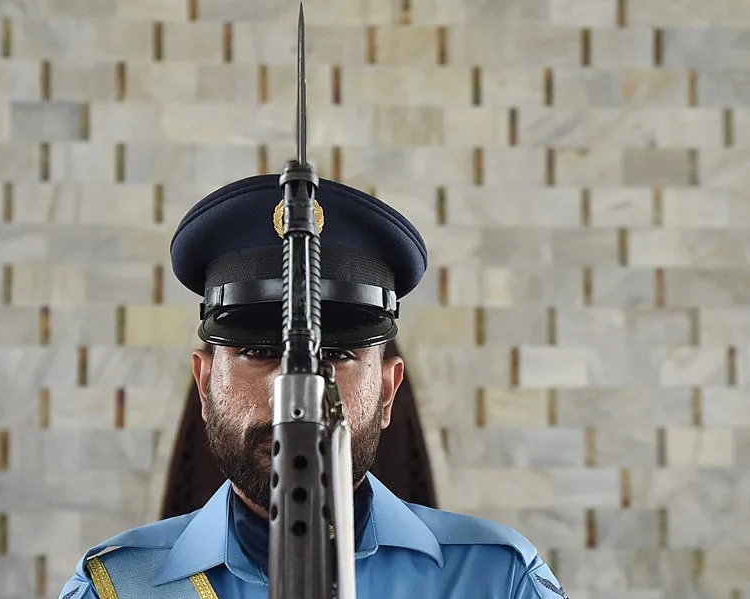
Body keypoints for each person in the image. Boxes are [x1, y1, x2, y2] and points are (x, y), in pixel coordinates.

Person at [57, 175, 569, 599]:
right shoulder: (115, 589)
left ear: (388, 391)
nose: (292, 393)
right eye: (258, 352)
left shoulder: (497, 580)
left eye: (339, 356)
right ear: (205, 382)